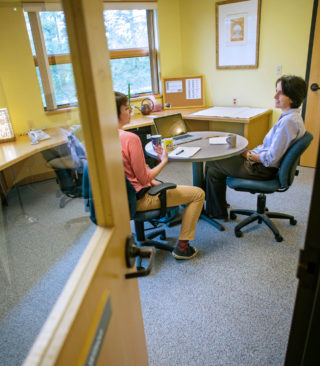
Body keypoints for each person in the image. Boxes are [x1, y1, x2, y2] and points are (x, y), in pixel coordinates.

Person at [116, 92, 205, 260]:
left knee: (158, 182)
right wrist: (164, 160)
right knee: (198, 194)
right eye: (127, 109)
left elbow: (130, 175)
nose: (131, 112)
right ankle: (182, 248)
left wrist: (152, 179)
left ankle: (141, 236)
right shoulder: (130, 139)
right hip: (139, 200)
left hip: (120, 200)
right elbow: (143, 178)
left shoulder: (102, 139)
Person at [205, 75, 308, 219]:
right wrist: (249, 152)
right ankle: (217, 206)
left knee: (212, 164)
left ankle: (215, 211)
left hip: (262, 169)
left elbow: (271, 158)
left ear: (292, 97)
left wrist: (249, 155)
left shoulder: (288, 123)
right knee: (224, 159)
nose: (275, 95)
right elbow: (270, 147)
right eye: (276, 91)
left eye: (280, 92)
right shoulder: (291, 117)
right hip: (264, 165)